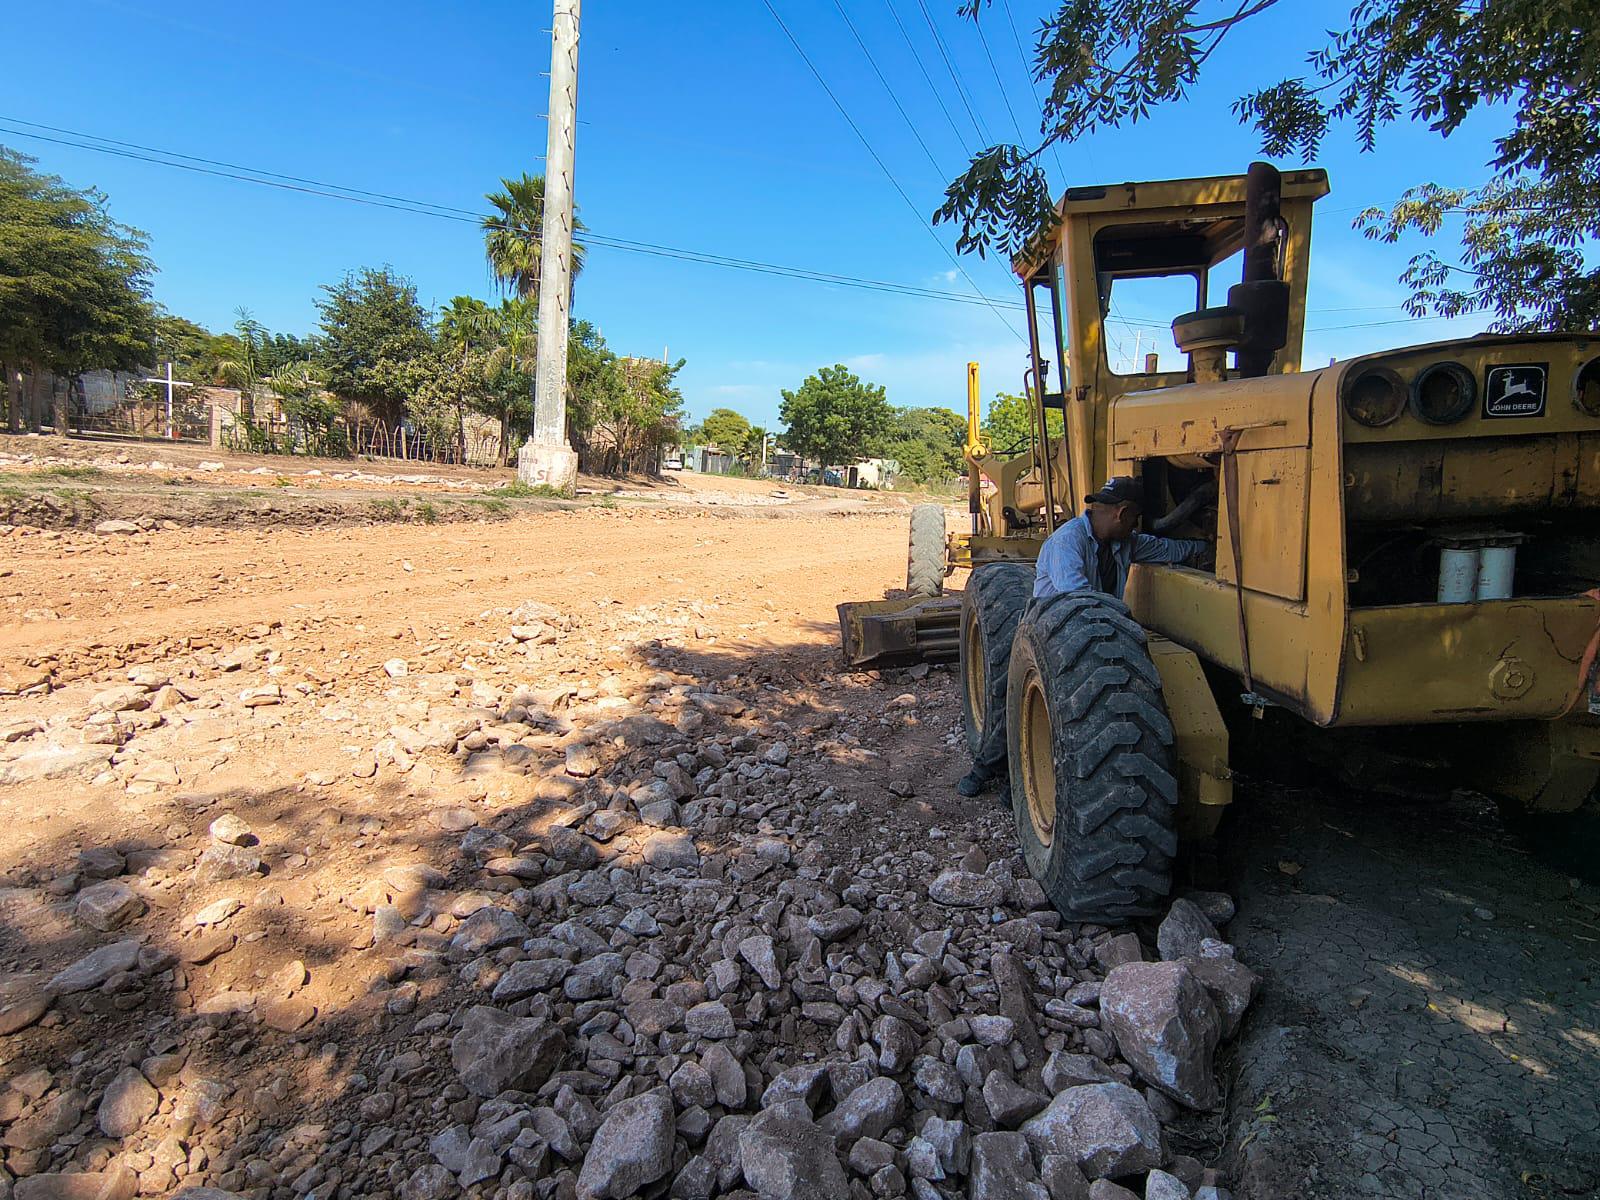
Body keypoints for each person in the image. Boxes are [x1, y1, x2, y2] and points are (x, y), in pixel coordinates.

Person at [955, 476, 1210, 797]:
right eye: (1134, 519)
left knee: (1058, 720)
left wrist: (1204, 547)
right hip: (1049, 635)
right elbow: (1078, 603)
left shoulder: (1124, 542)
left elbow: (1164, 548)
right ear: (1122, 513)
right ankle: (983, 770)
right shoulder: (1067, 544)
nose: (1135, 527)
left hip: (1094, 637)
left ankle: (1017, 789)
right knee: (1016, 709)